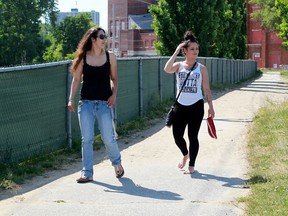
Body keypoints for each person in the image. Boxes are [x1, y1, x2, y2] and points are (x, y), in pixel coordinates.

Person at [67, 27, 124, 183]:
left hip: (105, 103)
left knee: (108, 138)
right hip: (85, 103)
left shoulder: (110, 57)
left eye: (105, 36)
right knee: (87, 139)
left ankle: (117, 163)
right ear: (93, 39)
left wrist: (114, 95)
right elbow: (77, 79)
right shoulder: (83, 58)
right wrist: (71, 98)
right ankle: (87, 173)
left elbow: (115, 78)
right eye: (101, 36)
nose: (104, 39)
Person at [164, 31, 215, 174]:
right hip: (180, 106)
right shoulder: (178, 66)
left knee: (193, 136)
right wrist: (175, 51)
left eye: (197, 49)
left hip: (196, 106)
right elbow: (166, 69)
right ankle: (185, 155)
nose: (195, 52)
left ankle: (191, 165)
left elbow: (206, 89)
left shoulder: (201, 68)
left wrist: (210, 107)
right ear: (185, 51)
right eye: (192, 49)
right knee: (177, 136)